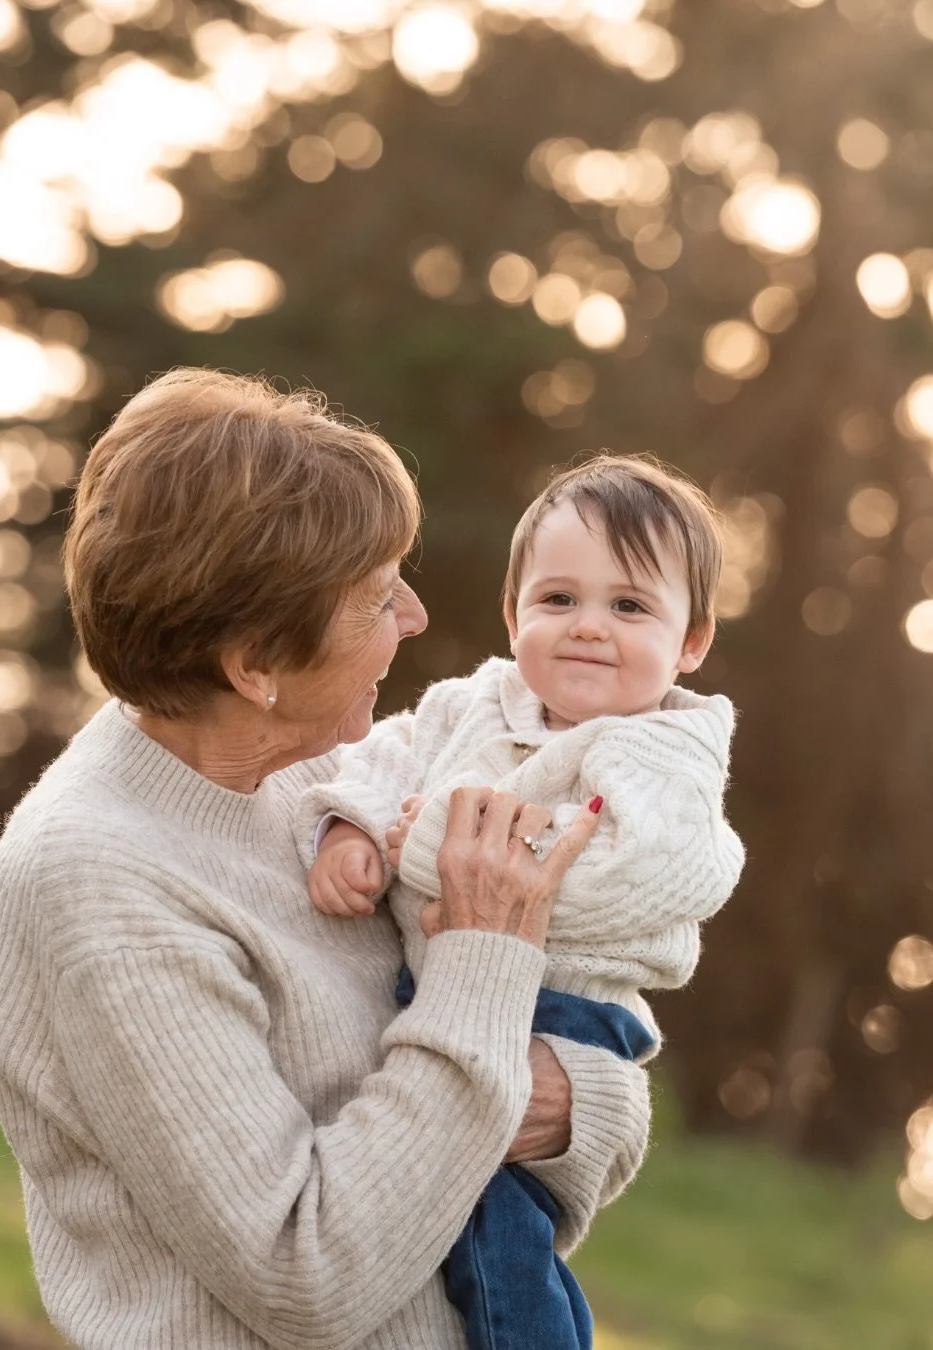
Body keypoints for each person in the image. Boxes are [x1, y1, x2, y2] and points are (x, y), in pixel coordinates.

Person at [0, 370, 653, 1350]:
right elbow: (307, 1278)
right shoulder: (100, 887)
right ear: (256, 667)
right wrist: (484, 975)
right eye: (376, 597)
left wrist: (575, 1097)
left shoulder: (337, 774)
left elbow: (590, 1074)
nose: (413, 617)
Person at [298, 454, 745, 1349]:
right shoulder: (474, 703)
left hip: (563, 1016)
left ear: (690, 641)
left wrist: (423, 849)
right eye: (558, 600)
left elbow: (630, 876)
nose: (588, 628)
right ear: (513, 616)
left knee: (490, 1237)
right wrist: (348, 826)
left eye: (629, 607)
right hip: (450, 994)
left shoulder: (660, 751)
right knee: (399, 1210)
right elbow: (387, 758)